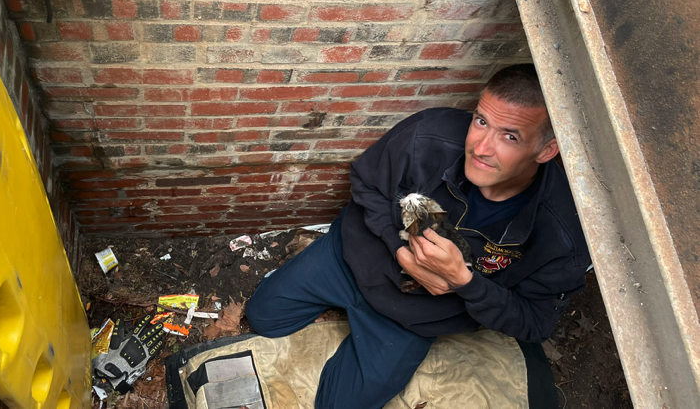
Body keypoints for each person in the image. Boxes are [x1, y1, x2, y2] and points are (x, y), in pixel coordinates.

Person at [245, 64, 592, 409]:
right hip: (354, 258)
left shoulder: (563, 234)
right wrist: (399, 249)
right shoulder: (429, 135)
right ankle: (316, 280)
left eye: (510, 136)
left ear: (546, 151)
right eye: (481, 121)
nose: (481, 148)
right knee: (262, 315)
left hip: (414, 317)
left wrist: (464, 282)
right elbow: (366, 181)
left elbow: (535, 322)